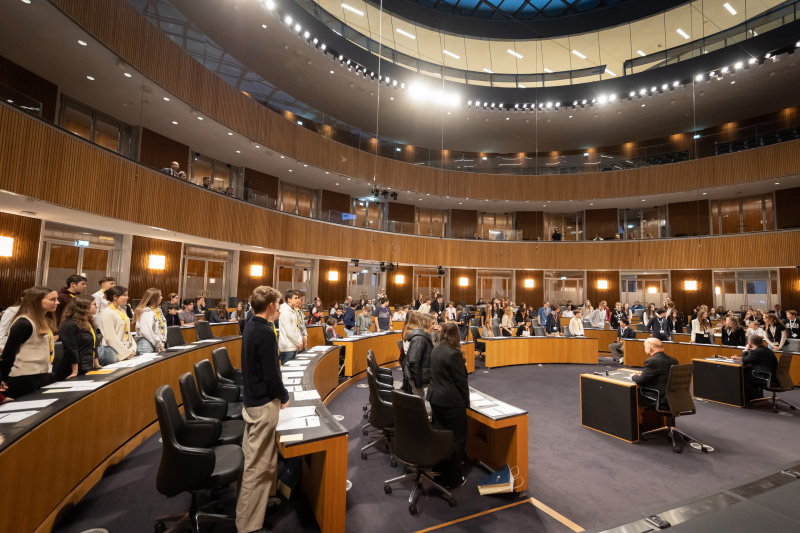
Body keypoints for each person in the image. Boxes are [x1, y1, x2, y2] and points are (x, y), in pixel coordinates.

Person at [235, 285, 290, 533]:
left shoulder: (252, 324)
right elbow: (271, 374)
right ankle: (247, 524)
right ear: (270, 306)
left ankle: (263, 501)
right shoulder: (265, 332)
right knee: (257, 466)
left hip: (253, 399)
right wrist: (284, 396)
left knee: (266, 458)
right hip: (263, 403)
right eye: (277, 304)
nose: (278, 307)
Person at [427, 322, 469, 489]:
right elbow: (461, 382)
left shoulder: (436, 348)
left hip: (435, 398)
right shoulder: (454, 354)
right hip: (451, 403)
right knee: (457, 439)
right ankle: (453, 478)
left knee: (442, 436)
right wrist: (466, 402)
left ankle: (439, 471)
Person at [0, 287, 58, 398]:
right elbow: (8, 355)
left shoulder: (43, 321)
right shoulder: (23, 323)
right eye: (53, 299)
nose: (57, 302)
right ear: (37, 301)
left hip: (42, 374)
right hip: (24, 377)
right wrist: (4, 379)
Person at [54, 296, 102, 381]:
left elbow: (94, 345)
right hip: (72, 369)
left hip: (88, 365)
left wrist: (96, 364)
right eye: (94, 304)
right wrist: (75, 371)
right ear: (84, 307)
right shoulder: (70, 324)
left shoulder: (89, 323)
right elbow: (71, 348)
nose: (96, 307)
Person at [631, 338, 679, 409]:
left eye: (645, 346)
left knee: (631, 393)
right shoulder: (674, 360)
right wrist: (645, 373)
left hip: (659, 397)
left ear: (650, 348)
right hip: (673, 396)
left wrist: (633, 376)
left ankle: (638, 420)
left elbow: (641, 380)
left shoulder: (651, 361)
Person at [405, 313, 435, 417]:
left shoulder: (423, 337)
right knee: (424, 408)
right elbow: (414, 362)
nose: (434, 326)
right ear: (426, 324)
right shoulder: (420, 339)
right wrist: (418, 383)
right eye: (432, 324)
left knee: (423, 405)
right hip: (419, 379)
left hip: (422, 376)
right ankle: (423, 430)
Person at [732, 334, 778, 402]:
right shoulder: (766, 349)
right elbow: (757, 359)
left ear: (750, 343)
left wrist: (745, 350)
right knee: (747, 373)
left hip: (766, 377)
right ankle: (756, 398)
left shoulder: (756, 351)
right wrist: (740, 358)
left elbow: (745, 361)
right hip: (773, 376)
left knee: (742, 376)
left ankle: (757, 398)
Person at [98, 286, 135, 364]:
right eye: (124, 295)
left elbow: (128, 332)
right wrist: (126, 351)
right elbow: (110, 337)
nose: (127, 297)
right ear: (115, 297)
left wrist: (133, 348)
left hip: (125, 349)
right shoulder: (107, 312)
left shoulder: (122, 311)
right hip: (112, 350)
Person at [133, 288, 167, 354]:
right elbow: (147, 331)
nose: (162, 298)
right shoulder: (146, 312)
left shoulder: (158, 310)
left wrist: (162, 341)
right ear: (154, 298)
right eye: (160, 296)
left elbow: (163, 326)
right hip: (146, 344)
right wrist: (158, 343)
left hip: (155, 343)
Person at [278, 290, 303, 365]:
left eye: (298, 298)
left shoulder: (292, 311)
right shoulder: (285, 312)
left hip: (293, 345)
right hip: (287, 348)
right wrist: (298, 343)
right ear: (289, 300)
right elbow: (289, 332)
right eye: (295, 298)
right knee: (287, 373)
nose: (297, 300)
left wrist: (299, 340)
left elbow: (296, 328)